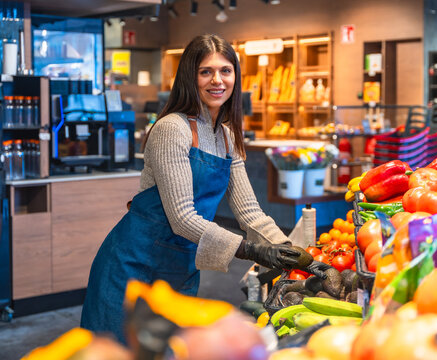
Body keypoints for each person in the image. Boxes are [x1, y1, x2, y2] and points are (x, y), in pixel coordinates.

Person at [80, 34, 327, 343]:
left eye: (226, 70)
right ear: (190, 77)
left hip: (181, 268)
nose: (217, 80)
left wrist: (299, 256)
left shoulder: (227, 136)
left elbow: (250, 212)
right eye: (205, 71)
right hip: (131, 268)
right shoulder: (172, 128)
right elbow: (182, 218)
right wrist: (251, 250)